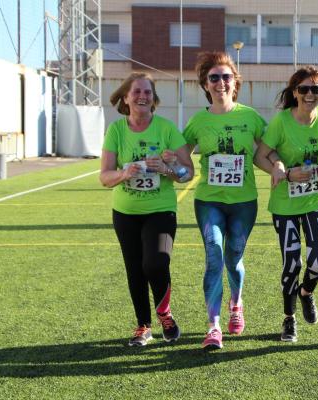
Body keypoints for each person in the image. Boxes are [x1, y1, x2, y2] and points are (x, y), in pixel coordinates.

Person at [183, 51, 269, 350]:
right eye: (214, 78)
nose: (220, 82)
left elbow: (269, 148)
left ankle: (236, 303)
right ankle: (213, 325)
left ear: (235, 82)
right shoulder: (198, 121)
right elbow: (182, 154)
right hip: (209, 201)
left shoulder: (250, 117)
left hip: (244, 202)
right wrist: (176, 166)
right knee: (214, 257)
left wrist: (281, 166)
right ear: (205, 84)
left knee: (233, 257)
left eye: (226, 77)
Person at [100, 72, 194, 346]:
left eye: (148, 93)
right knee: (135, 269)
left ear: (154, 99)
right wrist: (123, 173)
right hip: (126, 213)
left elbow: (188, 172)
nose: (143, 96)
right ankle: (143, 325)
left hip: (160, 210)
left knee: (156, 262)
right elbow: (104, 177)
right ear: (125, 98)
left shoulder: (166, 129)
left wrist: (168, 167)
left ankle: (165, 313)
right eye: (137, 92)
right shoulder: (116, 131)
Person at [255, 66, 318, 342]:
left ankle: (306, 292)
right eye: (304, 89)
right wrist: (279, 169)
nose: (309, 94)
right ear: (294, 92)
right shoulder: (282, 121)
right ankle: (289, 318)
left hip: (316, 199)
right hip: (285, 204)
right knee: (291, 264)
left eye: (315, 89)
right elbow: (261, 156)